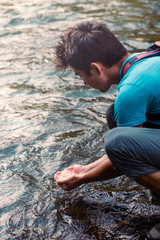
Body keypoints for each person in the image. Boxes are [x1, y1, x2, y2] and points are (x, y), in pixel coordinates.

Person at [54, 21, 160, 240]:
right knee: (115, 118)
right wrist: (84, 169)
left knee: (116, 142)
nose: (83, 82)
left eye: (80, 75)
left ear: (95, 68)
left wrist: (82, 178)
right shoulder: (147, 59)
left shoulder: (131, 91)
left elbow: (122, 153)